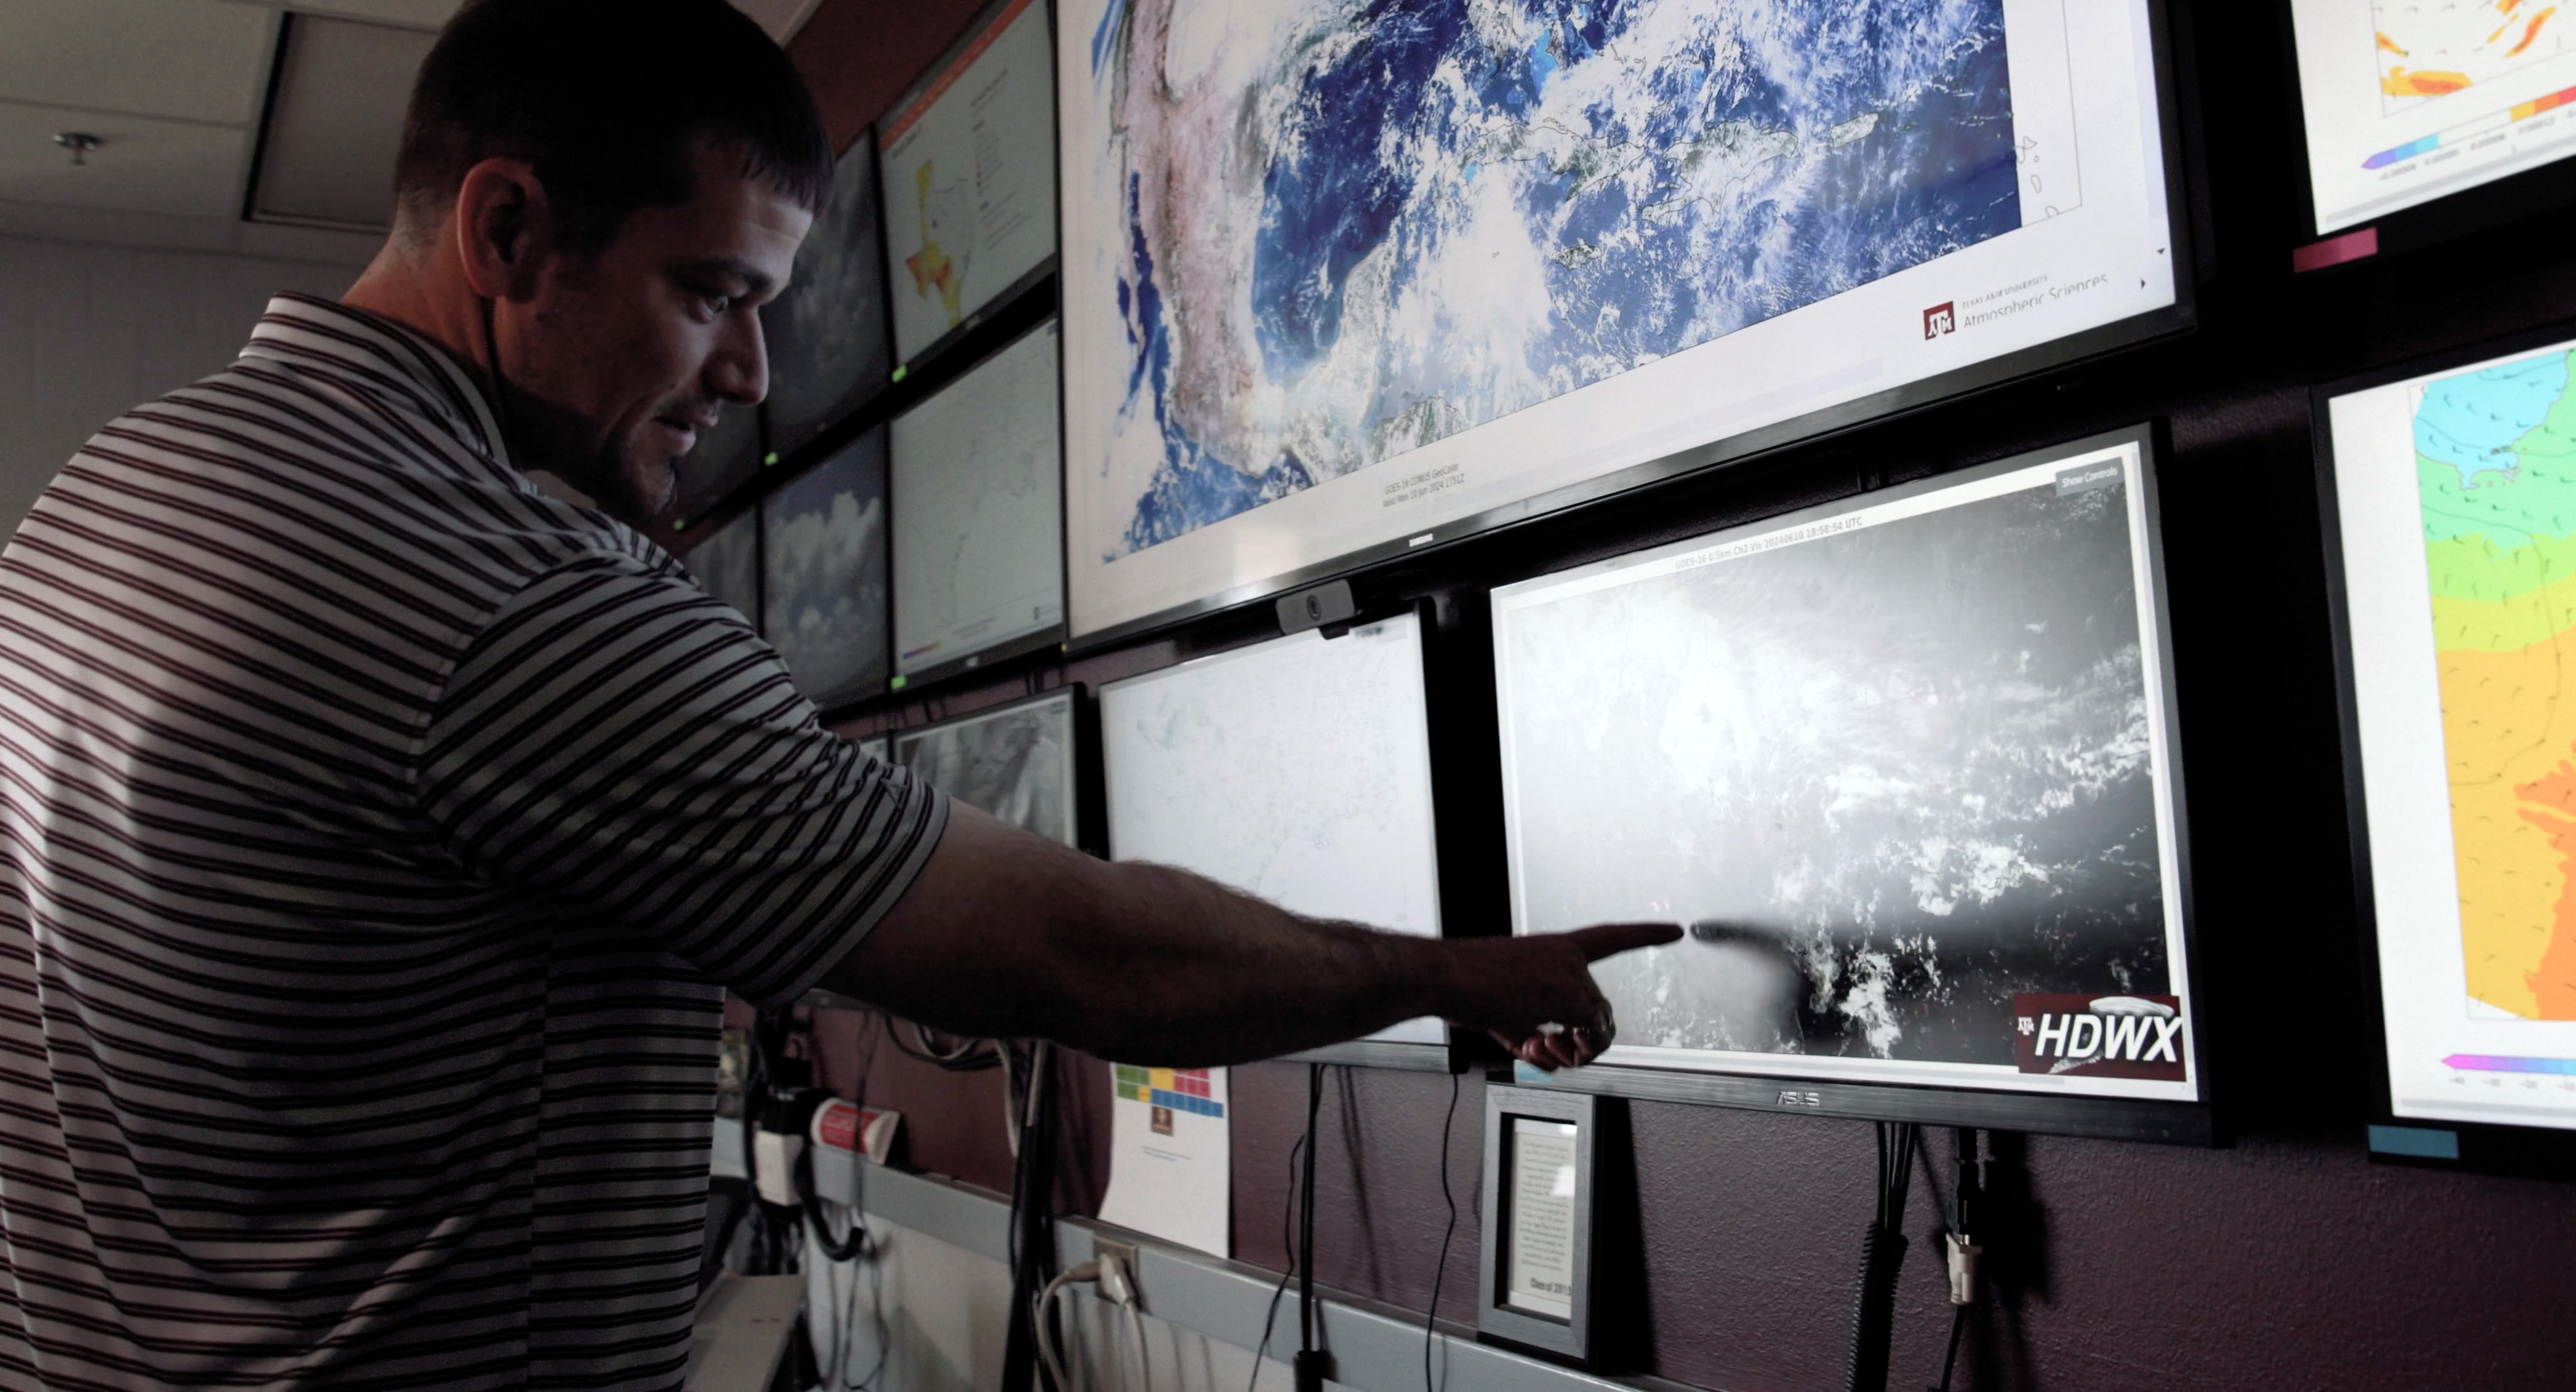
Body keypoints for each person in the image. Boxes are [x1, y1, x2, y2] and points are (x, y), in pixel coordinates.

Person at [0, 1, 1677, 1386]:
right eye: (713, 293)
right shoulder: (494, 589)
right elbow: (1082, 954)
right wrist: (1456, 972)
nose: (746, 373)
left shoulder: (113, 496)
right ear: (510, 230)